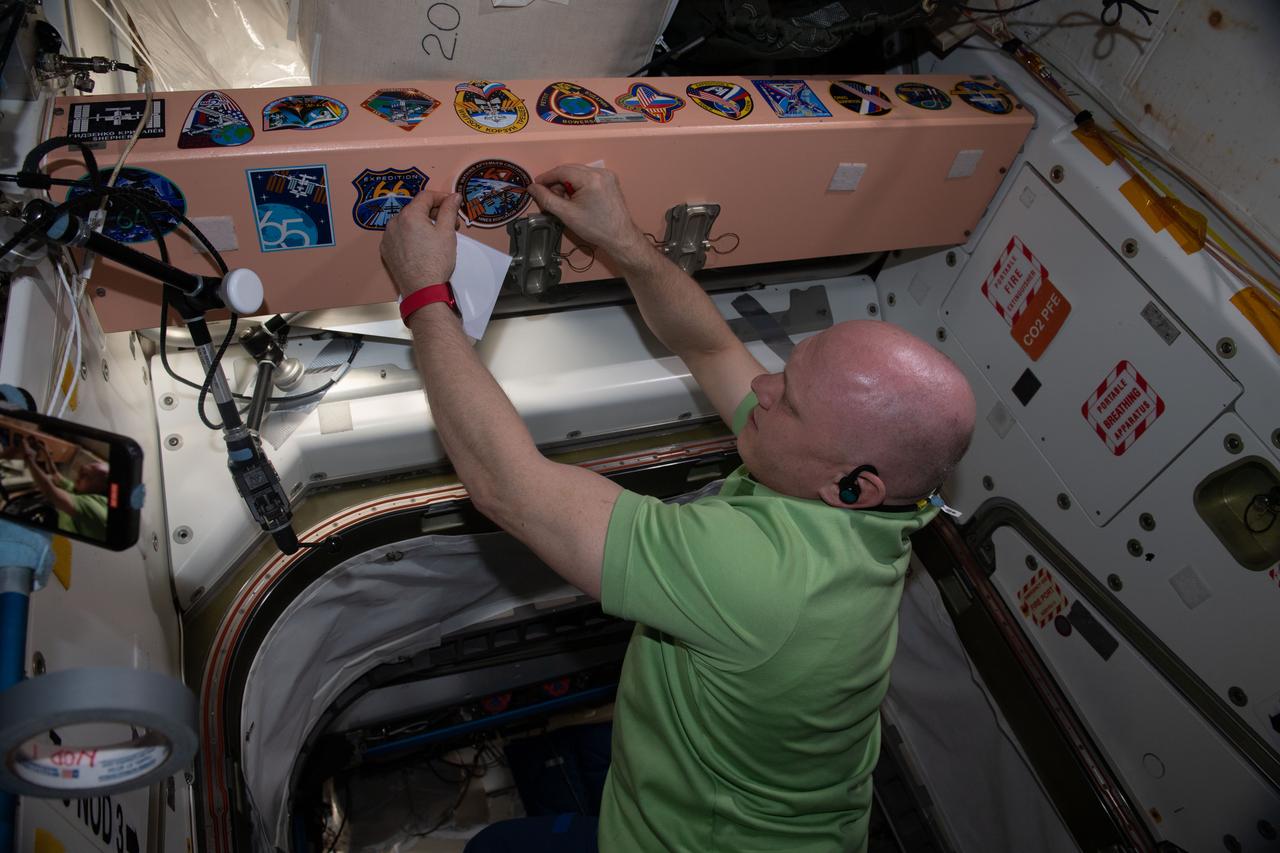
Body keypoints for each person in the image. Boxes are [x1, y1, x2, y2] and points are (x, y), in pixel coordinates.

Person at [380, 164, 976, 853]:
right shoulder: (859, 490)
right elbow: (711, 346)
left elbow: (506, 486)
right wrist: (624, 241)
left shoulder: (765, 574)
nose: (761, 385)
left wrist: (425, 296)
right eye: (786, 368)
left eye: (790, 398)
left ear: (856, 484)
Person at [23, 443, 110, 540]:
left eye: (86, 475)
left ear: (103, 487)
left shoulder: (96, 509)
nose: (78, 474)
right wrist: (47, 454)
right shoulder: (80, 490)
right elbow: (55, 474)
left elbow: (50, 493)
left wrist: (28, 458)